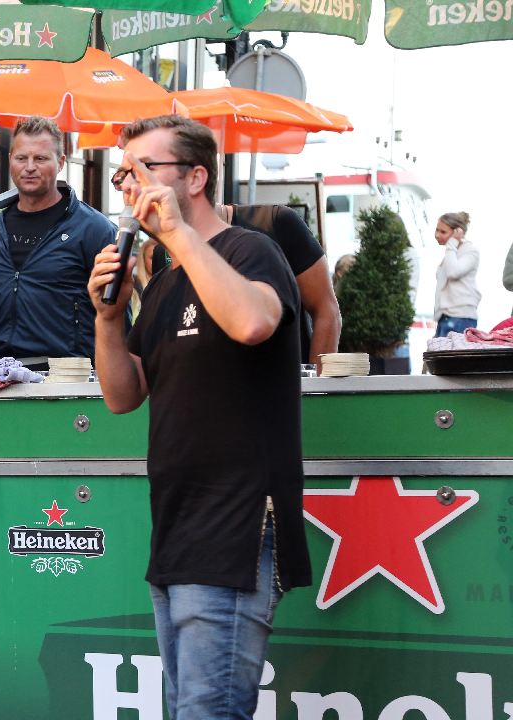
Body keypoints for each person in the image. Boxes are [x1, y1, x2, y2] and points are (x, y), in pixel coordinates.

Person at [88, 115, 310, 720]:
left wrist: (180, 235)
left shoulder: (250, 250)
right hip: (176, 528)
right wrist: (108, 318)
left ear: (195, 178)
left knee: (208, 712)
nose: (129, 187)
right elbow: (122, 395)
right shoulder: (163, 282)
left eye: (142, 170)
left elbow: (253, 322)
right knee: (191, 707)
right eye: (123, 175)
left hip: (235, 525)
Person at [0, 116, 117, 360]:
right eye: (21, 158)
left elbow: (116, 313)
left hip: (65, 373)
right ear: (10, 159)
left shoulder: (94, 228)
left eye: (40, 158)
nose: (29, 167)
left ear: (60, 163)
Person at [220, 204, 342, 363]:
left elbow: (327, 311)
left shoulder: (275, 223)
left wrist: (316, 378)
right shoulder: (186, 251)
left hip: (287, 375)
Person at [433, 211, 480, 337]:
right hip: (445, 317)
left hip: (460, 317)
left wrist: (452, 243)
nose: (437, 235)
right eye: (437, 230)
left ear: (457, 232)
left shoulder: (470, 250)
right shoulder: (452, 252)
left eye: (443, 232)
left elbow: (453, 272)